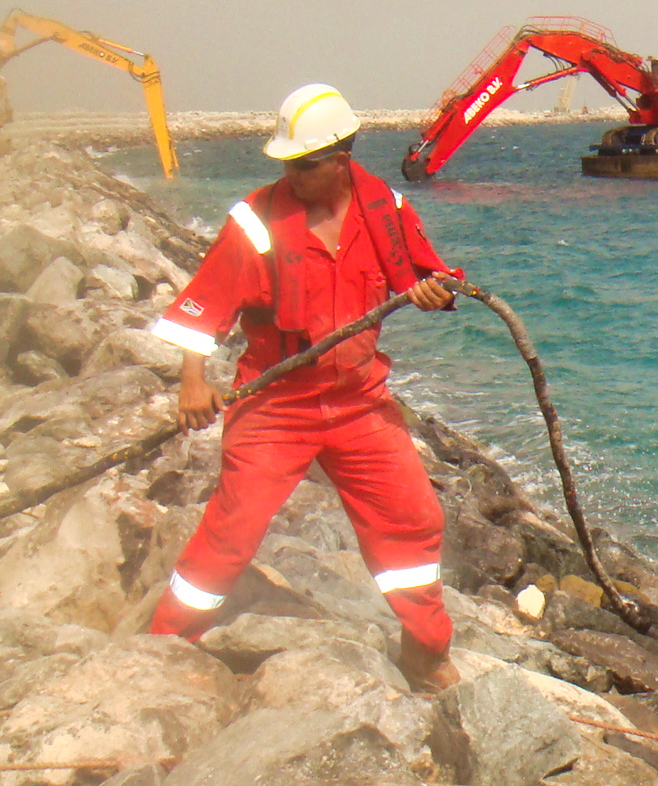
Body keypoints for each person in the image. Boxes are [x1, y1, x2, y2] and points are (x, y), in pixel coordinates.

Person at [146, 83, 463, 692]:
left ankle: (425, 651)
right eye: (286, 162)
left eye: (304, 162)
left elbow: (437, 279)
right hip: (276, 403)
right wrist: (193, 382)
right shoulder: (256, 219)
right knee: (232, 529)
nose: (292, 173)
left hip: (359, 400)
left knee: (414, 519)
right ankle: (165, 642)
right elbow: (204, 306)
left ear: (341, 159)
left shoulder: (387, 213)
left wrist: (435, 291)